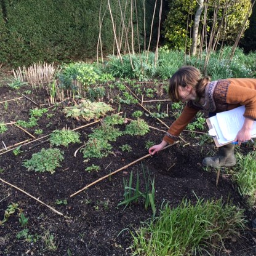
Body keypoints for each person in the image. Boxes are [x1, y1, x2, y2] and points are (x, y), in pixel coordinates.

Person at [149, 66, 256, 168]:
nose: (174, 93)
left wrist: (245, 129)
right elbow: (181, 122)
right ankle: (227, 157)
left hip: (253, 100)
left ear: (187, 87)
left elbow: (253, 97)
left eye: (176, 89)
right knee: (214, 119)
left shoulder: (219, 91)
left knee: (215, 115)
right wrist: (162, 145)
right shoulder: (195, 101)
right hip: (247, 105)